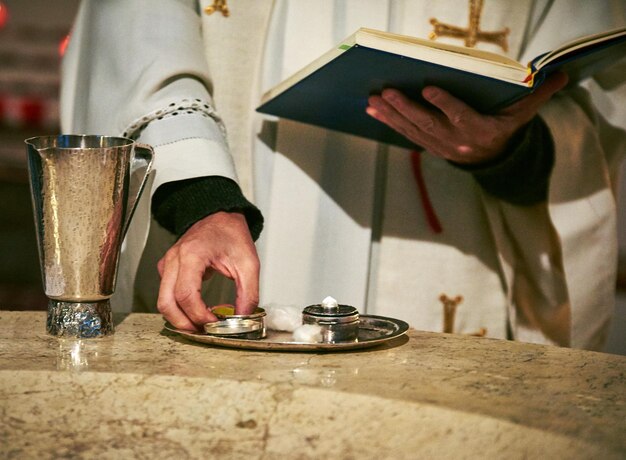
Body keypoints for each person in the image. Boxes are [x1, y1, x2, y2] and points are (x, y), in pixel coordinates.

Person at [60, 0, 626, 350]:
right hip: (240, 206)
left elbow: (595, 94)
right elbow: (137, 34)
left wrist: (504, 152)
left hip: (457, 246)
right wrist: (203, 201)